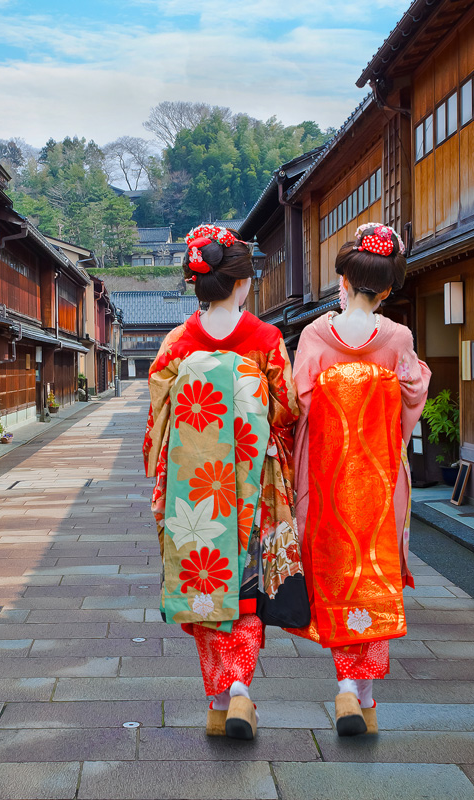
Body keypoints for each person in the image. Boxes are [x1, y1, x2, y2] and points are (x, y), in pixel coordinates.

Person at [143, 224, 308, 740]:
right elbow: (287, 409)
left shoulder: (177, 344)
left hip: (193, 486)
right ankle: (239, 692)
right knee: (246, 585)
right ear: (241, 285)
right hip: (250, 485)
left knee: (202, 583)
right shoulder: (266, 339)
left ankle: (219, 700)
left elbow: (159, 418)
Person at [288, 222, 431, 736]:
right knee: (374, 577)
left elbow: (297, 404)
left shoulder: (313, 336)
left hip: (326, 485)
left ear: (341, 282)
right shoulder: (398, 338)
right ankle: (357, 691)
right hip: (378, 482)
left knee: (335, 576)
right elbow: (411, 398)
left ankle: (350, 688)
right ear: (388, 289)